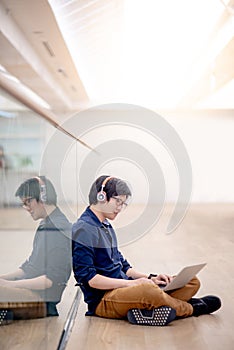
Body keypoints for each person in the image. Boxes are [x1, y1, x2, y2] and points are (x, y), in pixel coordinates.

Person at [72, 175, 221, 326]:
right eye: (118, 202)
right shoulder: (84, 229)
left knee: (191, 281)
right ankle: (191, 308)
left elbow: (124, 267)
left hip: (125, 289)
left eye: (123, 204)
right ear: (101, 196)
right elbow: (89, 279)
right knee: (148, 291)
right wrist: (132, 285)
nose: (120, 208)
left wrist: (151, 278)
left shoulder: (106, 226)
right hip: (104, 299)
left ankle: (154, 308)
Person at [0, 176, 72, 325]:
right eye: (23, 204)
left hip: (43, 300)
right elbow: (31, 266)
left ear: (43, 197)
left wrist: (10, 285)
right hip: (34, 292)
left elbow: (51, 280)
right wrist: (4, 278)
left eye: (28, 202)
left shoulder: (57, 229)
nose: (26, 208)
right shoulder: (47, 224)